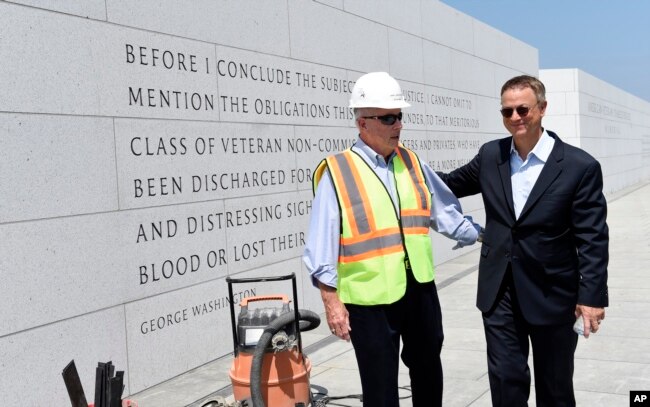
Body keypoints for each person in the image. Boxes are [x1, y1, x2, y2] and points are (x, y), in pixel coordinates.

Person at [302, 71, 481, 407]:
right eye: (388, 118)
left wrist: (484, 234)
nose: (398, 125)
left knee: (429, 371)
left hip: (419, 289)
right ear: (363, 123)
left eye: (400, 116)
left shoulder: (412, 162)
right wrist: (332, 303)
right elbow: (320, 246)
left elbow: (443, 213)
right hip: (369, 300)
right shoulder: (337, 171)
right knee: (380, 385)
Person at [438, 75, 609, 407]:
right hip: (499, 289)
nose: (514, 117)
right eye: (507, 112)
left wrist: (592, 296)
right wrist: (402, 166)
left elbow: (593, 238)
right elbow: (448, 185)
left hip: (553, 293)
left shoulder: (579, 166)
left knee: (555, 387)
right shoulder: (491, 155)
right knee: (506, 380)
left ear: (542, 109)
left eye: (522, 109)